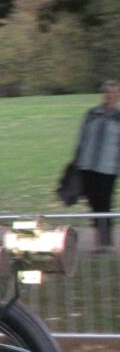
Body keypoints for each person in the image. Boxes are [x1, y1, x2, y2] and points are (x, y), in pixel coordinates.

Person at [73, 80, 120, 250]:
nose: (110, 96)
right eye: (108, 93)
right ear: (103, 94)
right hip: (88, 166)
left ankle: (107, 243)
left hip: (107, 168)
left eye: (114, 93)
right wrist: (77, 159)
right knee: (93, 204)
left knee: (105, 204)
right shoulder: (92, 113)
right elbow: (82, 138)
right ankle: (97, 242)